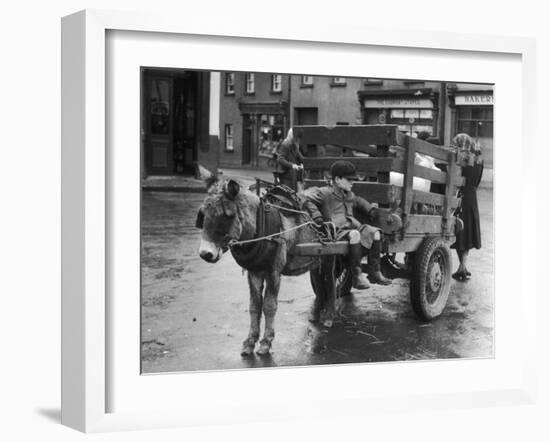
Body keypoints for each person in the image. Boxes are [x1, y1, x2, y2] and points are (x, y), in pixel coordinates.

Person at [303, 160, 393, 289]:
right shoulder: (325, 193)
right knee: (355, 234)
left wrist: (370, 209)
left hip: (352, 227)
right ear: (337, 179)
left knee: (376, 233)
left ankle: (375, 272)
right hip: (336, 230)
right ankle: (357, 276)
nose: (352, 182)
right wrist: (317, 215)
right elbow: (305, 198)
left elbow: (358, 201)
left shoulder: (349, 195)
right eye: (348, 179)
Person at [451, 133, 484, 282]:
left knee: (460, 233)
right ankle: (463, 267)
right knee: (468, 232)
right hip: (472, 196)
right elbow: (478, 180)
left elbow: (455, 177)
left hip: (461, 196)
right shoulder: (479, 159)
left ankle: (462, 266)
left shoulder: (460, 158)